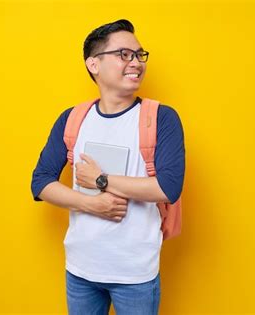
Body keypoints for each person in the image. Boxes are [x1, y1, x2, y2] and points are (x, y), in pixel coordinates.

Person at [31, 19, 185, 315]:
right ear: (94, 64)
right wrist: (92, 205)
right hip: (80, 268)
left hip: (135, 273)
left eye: (140, 55)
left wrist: (101, 180)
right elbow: (40, 182)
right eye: (124, 54)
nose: (136, 63)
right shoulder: (73, 118)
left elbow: (168, 187)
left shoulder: (161, 118)